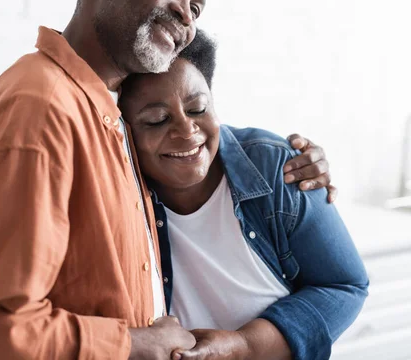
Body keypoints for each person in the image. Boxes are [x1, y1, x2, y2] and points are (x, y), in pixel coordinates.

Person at [0, 0, 336, 359]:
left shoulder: (110, 115)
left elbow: (196, 139)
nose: (186, 18)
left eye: (196, 7)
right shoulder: (43, 105)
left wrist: (287, 158)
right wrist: (133, 344)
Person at [118, 30, 369, 360]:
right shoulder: (116, 189)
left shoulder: (277, 166)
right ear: (122, 127)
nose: (186, 130)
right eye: (157, 120)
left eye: (198, 109)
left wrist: (244, 346)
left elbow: (344, 286)